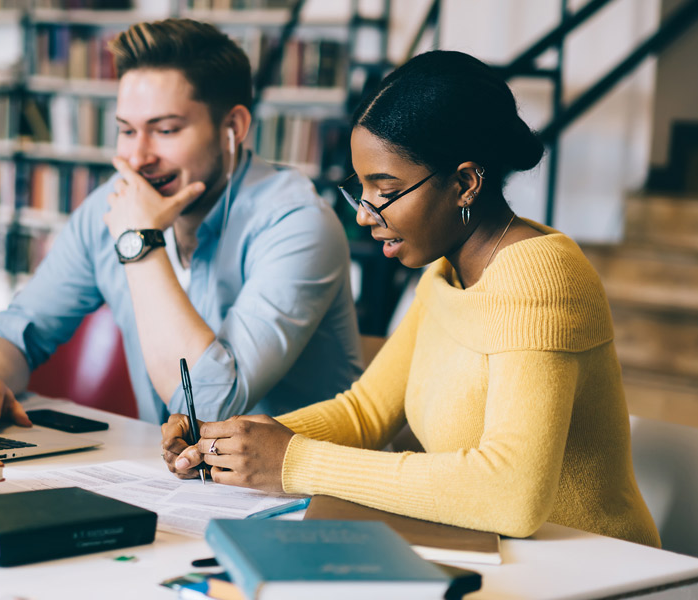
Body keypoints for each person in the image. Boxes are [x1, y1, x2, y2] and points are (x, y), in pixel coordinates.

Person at [163, 50, 661, 547]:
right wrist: (229, 443)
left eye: (386, 189)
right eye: (360, 189)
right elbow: (365, 413)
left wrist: (292, 462)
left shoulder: (541, 277)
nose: (363, 214)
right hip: (498, 559)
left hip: (593, 569)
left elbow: (511, 493)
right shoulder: (447, 271)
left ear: (464, 183)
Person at [0, 19, 362, 427]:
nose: (137, 158)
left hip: (300, 486)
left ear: (233, 127)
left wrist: (140, 242)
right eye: (126, 130)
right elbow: (17, 333)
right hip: (169, 479)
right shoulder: (111, 208)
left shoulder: (298, 224)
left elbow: (205, 406)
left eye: (166, 130)